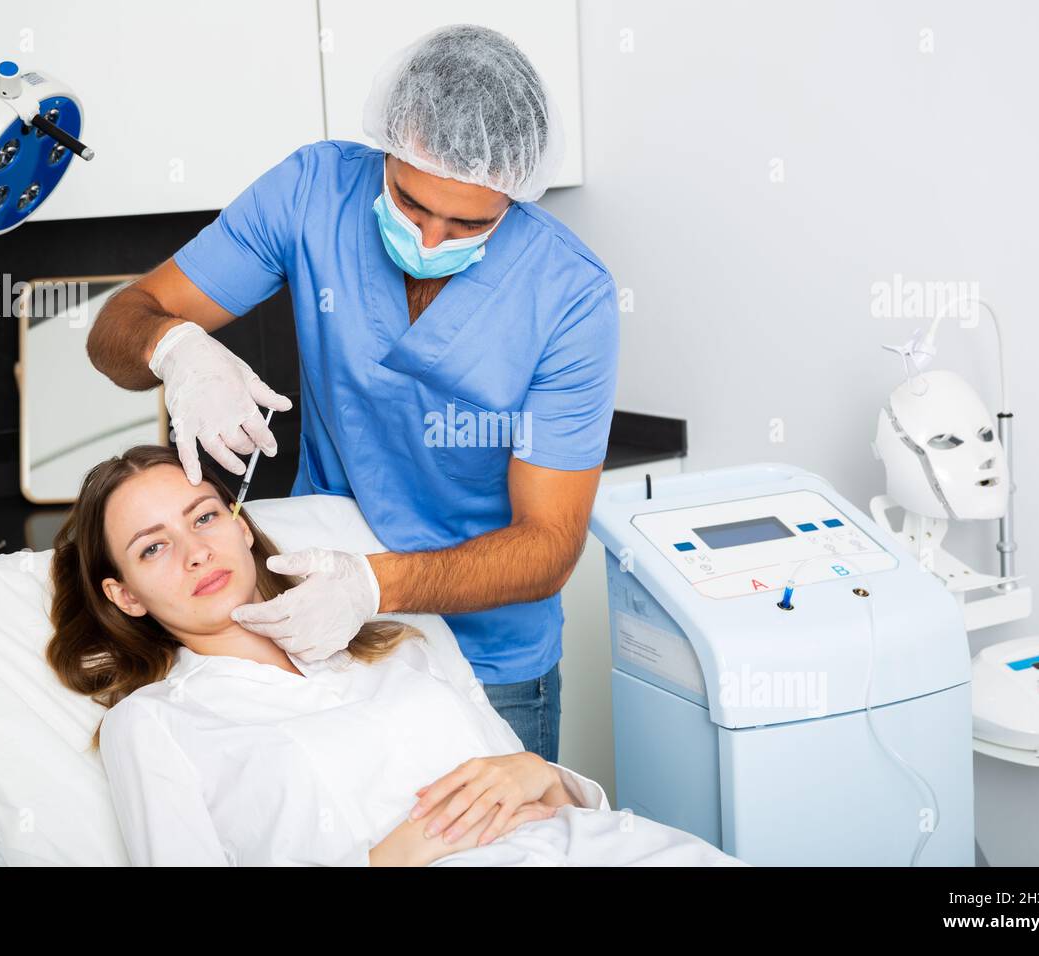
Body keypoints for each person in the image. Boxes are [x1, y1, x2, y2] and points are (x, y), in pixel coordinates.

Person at [87, 24, 621, 762]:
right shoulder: (313, 193)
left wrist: (371, 586)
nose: (431, 240)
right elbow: (117, 327)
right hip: (322, 627)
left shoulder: (568, 295)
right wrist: (175, 348)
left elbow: (548, 547)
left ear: (515, 193)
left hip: (493, 660)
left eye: (469, 222)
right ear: (390, 145)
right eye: (408, 203)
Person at [45, 445, 743, 867]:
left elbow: (548, 798)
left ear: (240, 527)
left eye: (204, 515)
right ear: (125, 595)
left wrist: (541, 774)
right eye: (153, 546)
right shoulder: (158, 723)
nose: (196, 549)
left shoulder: (386, 641)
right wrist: (383, 861)